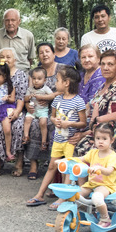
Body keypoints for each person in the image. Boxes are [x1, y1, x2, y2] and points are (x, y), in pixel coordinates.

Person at [27, 66, 86, 208]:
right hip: (58, 140)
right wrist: (56, 121)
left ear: (66, 83)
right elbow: (52, 117)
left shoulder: (78, 101)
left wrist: (69, 123)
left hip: (70, 141)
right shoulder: (57, 99)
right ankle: (40, 194)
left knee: (67, 168)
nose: (55, 83)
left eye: (58, 80)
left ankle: (63, 198)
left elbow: (83, 122)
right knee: (52, 166)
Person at [73, 48, 116, 158]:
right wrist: (94, 124)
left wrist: (99, 120)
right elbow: (98, 103)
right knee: (80, 147)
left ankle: (97, 174)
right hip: (102, 131)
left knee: (92, 151)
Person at [0, 48, 29, 177]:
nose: (5, 59)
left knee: (18, 126)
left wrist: (17, 112)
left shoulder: (21, 75)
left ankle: (19, 160)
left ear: (15, 60)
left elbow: (21, 97)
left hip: (14, 109)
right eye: (2, 56)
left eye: (8, 57)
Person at [24, 43, 60, 180]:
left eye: (47, 51)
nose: (44, 54)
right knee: (31, 124)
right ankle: (33, 164)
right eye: (41, 52)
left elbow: (63, 91)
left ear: (53, 53)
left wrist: (46, 97)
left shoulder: (61, 70)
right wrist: (27, 104)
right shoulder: (34, 72)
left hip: (54, 108)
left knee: (49, 124)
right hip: (35, 109)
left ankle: (52, 166)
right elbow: (28, 94)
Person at [76, 123, 116, 228]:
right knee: (75, 194)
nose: (100, 141)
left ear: (112, 140)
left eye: (104, 139)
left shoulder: (112, 156)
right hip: (92, 183)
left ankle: (105, 218)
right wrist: (67, 160)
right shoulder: (93, 153)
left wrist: (99, 168)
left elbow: (109, 171)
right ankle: (80, 213)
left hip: (106, 185)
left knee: (97, 197)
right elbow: (80, 159)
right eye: (98, 138)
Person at [23, 67, 54, 150]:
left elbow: (52, 95)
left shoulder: (45, 88)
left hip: (42, 110)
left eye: (39, 79)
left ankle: (44, 142)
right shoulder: (30, 89)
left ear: (44, 80)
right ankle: (26, 136)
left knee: (43, 123)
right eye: (34, 78)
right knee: (27, 120)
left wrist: (43, 97)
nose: (36, 81)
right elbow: (25, 99)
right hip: (32, 110)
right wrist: (29, 97)